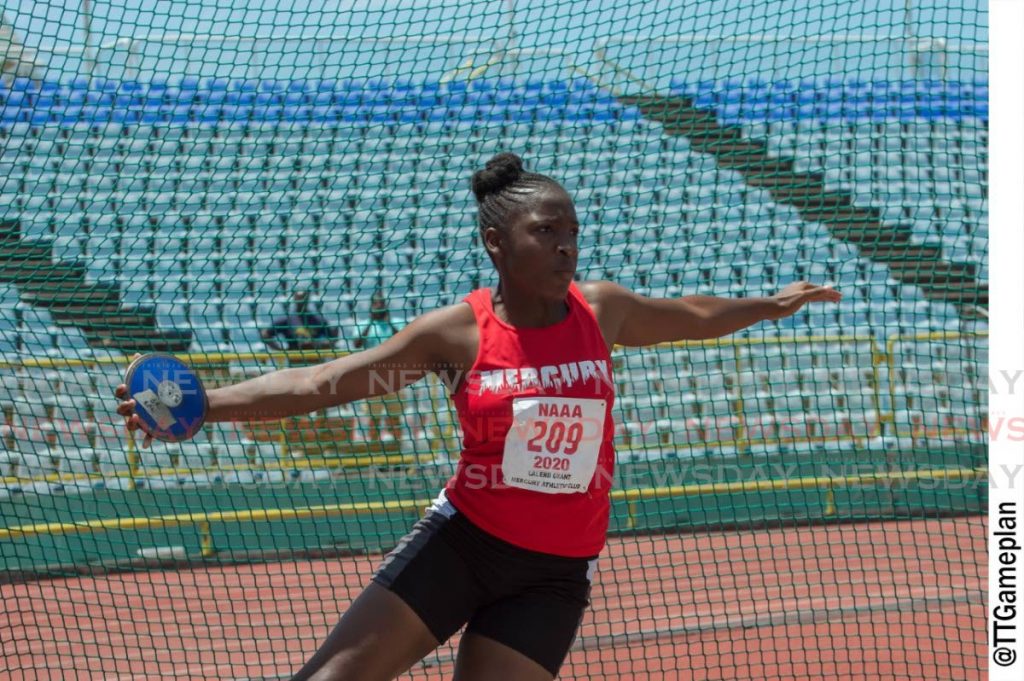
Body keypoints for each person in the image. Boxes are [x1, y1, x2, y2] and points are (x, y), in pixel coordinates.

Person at [116, 152, 841, 681]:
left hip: (555, 574)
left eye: (572, 231)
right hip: (464, 546)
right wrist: (209, 404)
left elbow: (688, 316)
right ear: (497, 242)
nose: (566, 244)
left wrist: (770, 304)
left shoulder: (603, 309)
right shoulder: (454, 337)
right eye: (545, 230)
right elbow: (323, 383)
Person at [352, 291, 404, 441]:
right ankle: (375, 453)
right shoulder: (364, 325)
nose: (378, 305)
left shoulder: (396, 323)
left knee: (395, 417)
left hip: (394, 376)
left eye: (381, 303)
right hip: (372, 377)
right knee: (373, 417)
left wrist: (388, 322)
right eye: (375, 303)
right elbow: (357, 343)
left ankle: (397, 453)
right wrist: (370, 321)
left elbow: (402, 339)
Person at [260, 288, 339, 353]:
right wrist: (280, 350)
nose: (301, 301)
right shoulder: (288, 320)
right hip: (295, 360)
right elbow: (265, 334)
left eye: (303, 298)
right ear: (294, 299)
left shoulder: (318, 320)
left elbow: (332, 339)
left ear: (308, 299)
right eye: (299, 298)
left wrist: (318, 345)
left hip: (315, 361)